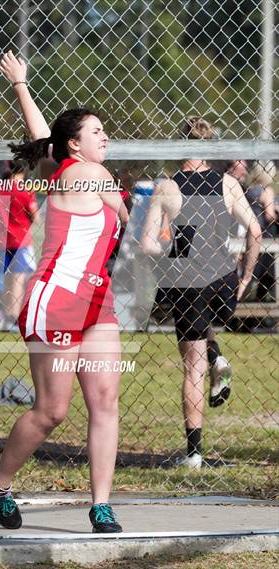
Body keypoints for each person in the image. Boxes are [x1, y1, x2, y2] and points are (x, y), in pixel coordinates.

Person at [0, 50, 129, 533]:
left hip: (95, 301)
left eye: (105, 130)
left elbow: (45, 139)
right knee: (52, 411)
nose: (105, 136)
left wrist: (22, 84)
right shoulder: (76, 173)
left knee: (104, 400)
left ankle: (101, 505)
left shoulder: (81, 169)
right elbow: (50, 146)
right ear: (75, 146)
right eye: (96, 132)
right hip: (55, 301)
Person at [141, 117, 262, 469]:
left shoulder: (167, 187)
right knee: (196, 332)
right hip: (224, 284)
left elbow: (148, 243)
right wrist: (245, 278)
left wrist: (172, 253)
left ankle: (194, 453)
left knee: (191, 366)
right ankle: (217, 356)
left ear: (179, 146)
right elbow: (254, 231)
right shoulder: (228, 184)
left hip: (189, 282)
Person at [0, 162, 39, 330]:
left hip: (3, 239)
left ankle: (6, 317)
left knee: (7, 279)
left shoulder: (1, 189)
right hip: (21, 239)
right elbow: (36, 217)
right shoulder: (25, 190)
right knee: (19, 279)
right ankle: (14, 317)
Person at [245, 161, 277, 303]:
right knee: (267, 279)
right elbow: (270, 216)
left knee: (250, 279)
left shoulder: (250, 190)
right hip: (265, 239)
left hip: (250, 238)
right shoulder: (267, 191)